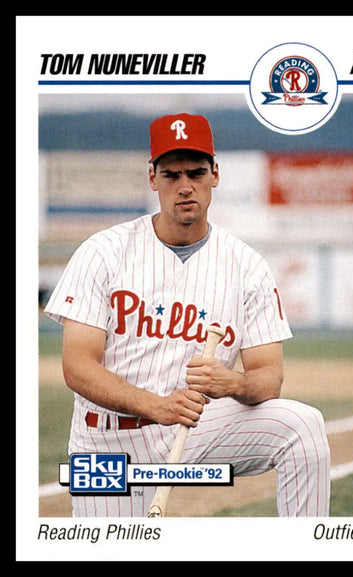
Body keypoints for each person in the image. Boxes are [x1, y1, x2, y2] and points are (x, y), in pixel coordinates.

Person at [44, 112, 330, 517]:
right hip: (104, 440)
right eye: (171, 174)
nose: (184, 186)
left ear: (215, 174)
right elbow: (77, 367)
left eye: (195, 172)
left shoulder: (246, 265)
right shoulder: (103, 252)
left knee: (302, 427)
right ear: (152, 178)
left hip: (191, 431)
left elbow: (269, 377)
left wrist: (232, 382)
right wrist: (155, 406)